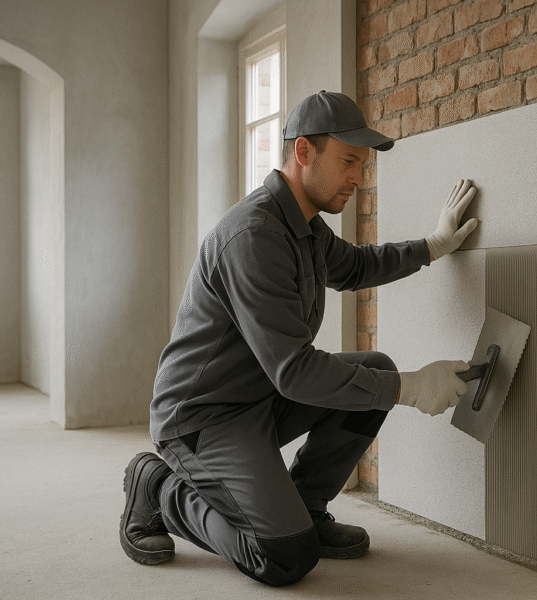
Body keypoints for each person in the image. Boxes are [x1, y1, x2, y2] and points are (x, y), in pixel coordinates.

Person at [119, 91, 478, 586]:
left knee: (374, 369)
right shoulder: (254, 235)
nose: (359, 178)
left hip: (259, 397)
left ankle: (306, 505)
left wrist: (433, 246)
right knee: (284, 557)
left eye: (363, 164)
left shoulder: (303, 224)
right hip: (203, 416)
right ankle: (157, 487)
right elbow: (295, 371)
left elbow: (354, 266)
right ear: (304, 152)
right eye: (349, 161)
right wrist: (411, 388)